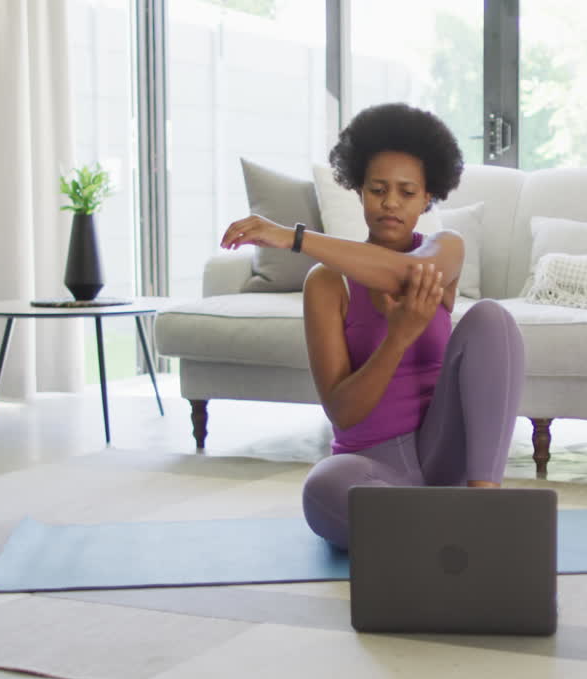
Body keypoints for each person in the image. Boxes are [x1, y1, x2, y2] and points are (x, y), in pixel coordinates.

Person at [220, 103, 525, 549]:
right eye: (377, 189)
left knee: (492, 318)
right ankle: (437, 526)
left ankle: (480, 512)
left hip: (443, 451)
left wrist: (294, 237)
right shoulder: (327, 283)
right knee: (322, 488)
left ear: (427, 197)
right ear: (359, 191)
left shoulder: (446, 249)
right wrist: (396, 339)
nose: (390, 203)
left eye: (407, 191)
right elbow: (343, 414)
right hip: (372, 466)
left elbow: (408, 274)